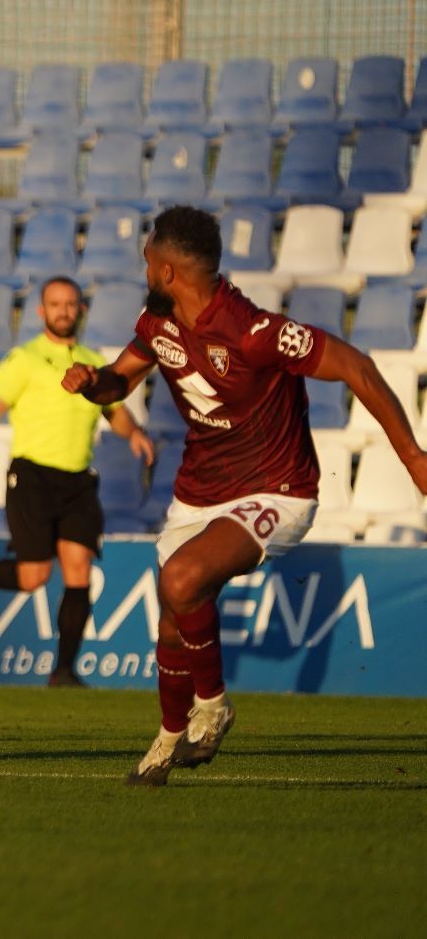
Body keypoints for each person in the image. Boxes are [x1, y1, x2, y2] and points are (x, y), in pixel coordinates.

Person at [62, 205, 427, 786]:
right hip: (199, 491)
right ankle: (170, 736)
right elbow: (121, 378)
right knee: (171, 625)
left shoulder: (254, 331)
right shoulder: (158, 322)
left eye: (149, 261)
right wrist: (92, 384)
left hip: (275, 489)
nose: (145, 269)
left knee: (180, 580)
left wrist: (413, 458)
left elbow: (358, 367)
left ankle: (213, 705)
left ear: (169, 273)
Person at [0, 276, 154, 687]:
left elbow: (113, 410)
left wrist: (132, 432)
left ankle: (64, 671)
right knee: (34, 577)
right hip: (32, 478)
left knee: (78, 569)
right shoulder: (24, 358)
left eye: (70, 304)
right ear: (42, 312)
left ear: (80, 310)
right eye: (55, 304)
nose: (63, 311)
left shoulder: (92, 360)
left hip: (79, 481)